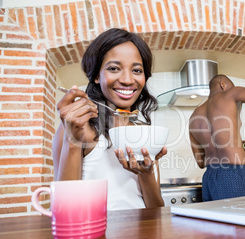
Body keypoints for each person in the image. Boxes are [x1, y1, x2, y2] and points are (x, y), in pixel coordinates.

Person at [52, 28, 167, 210]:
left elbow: (156, 210)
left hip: (141, 236)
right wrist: (72, 139)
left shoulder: (144, 134)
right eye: (114, 68)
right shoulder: (78, 127)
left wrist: (146, 174)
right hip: (94, 235)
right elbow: (63, 209)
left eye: (137, 70)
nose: (128, 80)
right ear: (97, 75)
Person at [189, 74, 245, 201]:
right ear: (223, 85)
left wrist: (239, 148)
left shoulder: (193, 117)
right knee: (242, 219)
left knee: (217, 221)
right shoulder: (230, 94)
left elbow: (201, 162)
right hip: (234, 175)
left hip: (209, 178)